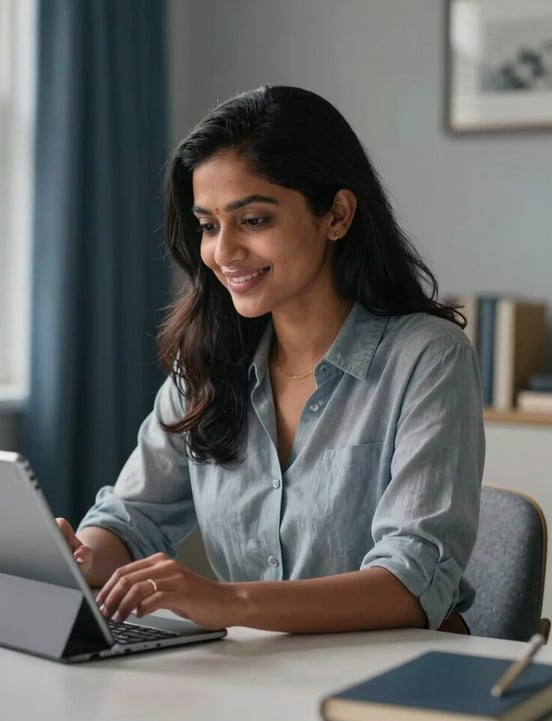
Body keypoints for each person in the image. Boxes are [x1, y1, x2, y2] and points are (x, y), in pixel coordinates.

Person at [56, 85, 484, 635]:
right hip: (259, 673)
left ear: (337, 214)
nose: (223, 252)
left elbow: (410, 581)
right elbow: (132, 519)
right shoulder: (207, 363)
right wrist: (81, 558)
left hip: (394, 679)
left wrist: (226, 602)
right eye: (208, 225)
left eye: (253, 220)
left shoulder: (428, 359)